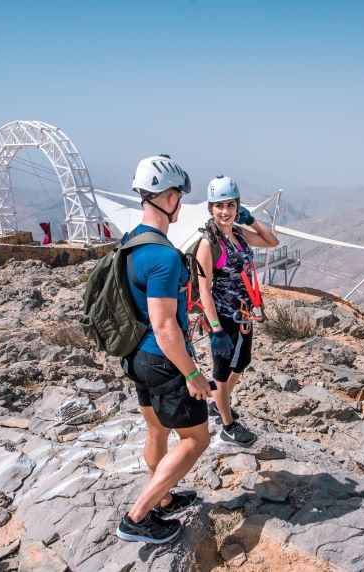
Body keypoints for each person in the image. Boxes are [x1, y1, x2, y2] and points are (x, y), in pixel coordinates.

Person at [116, 155, 212, 544]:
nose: (180, 204)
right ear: (168, 197)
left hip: (135, 356)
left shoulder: (130, 242)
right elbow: (164, 324)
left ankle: (166, 499)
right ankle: (138, 517)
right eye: (179, 196)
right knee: (195, 439)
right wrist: (192, 373)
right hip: (162, 358)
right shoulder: (164, 256)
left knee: (156, 428)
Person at [196, 176, 279, 447]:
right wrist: (216, 329)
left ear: (237, 206)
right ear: (211, 208)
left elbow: (271, 242)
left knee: (241, 363)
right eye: (219, 206)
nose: (225, 212)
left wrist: (251, 220)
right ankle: (228, 426)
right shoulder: (209, 244)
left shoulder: (240, 236)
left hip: (243, 314)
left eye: (230, 205)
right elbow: (204, 290)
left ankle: (219, 404)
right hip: (221, 318)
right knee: (221, 373)